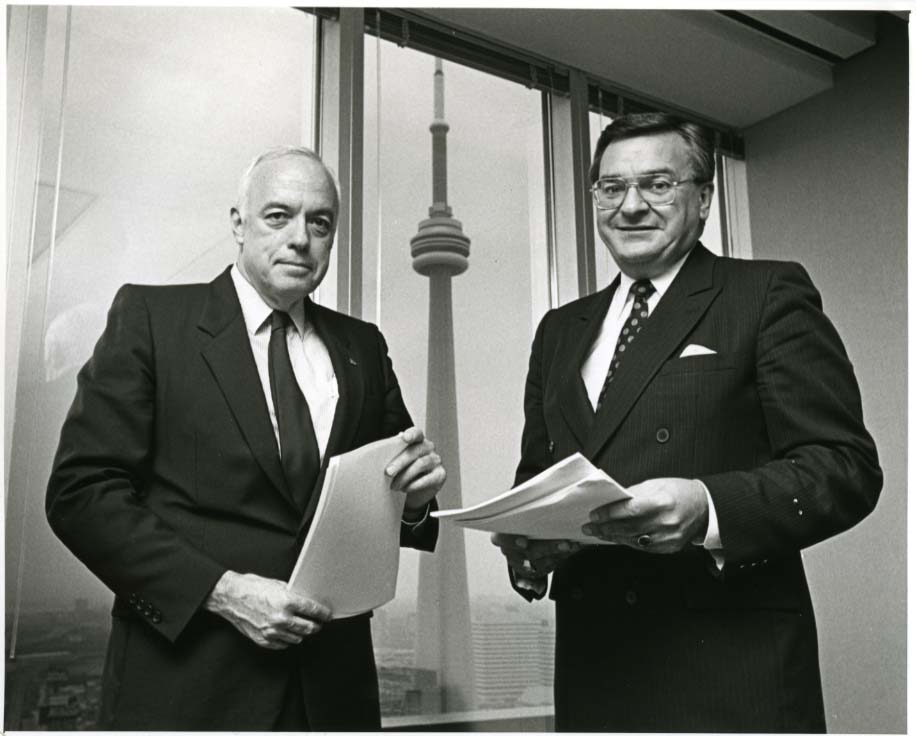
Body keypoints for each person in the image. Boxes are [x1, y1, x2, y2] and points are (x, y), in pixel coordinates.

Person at [492, 113, 882, 733]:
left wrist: (709, 505)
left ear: (703, 198)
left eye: (658, 184)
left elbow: (846, 468)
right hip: (597, 675)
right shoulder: (558, 332)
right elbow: (541, 477)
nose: (631, 206)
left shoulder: (765, 293)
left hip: (728, 675)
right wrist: (530, 550)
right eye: (611, 188)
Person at [46, 146, 446, 731]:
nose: (301, 238)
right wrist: (223, 591)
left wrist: (412, 505)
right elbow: (80, 494)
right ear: (238, 223)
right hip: (189, 688)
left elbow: (392, 500)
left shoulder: (363, 347)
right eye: (278, 216)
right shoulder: (153, 321)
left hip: (332, 695)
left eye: (320, 222)